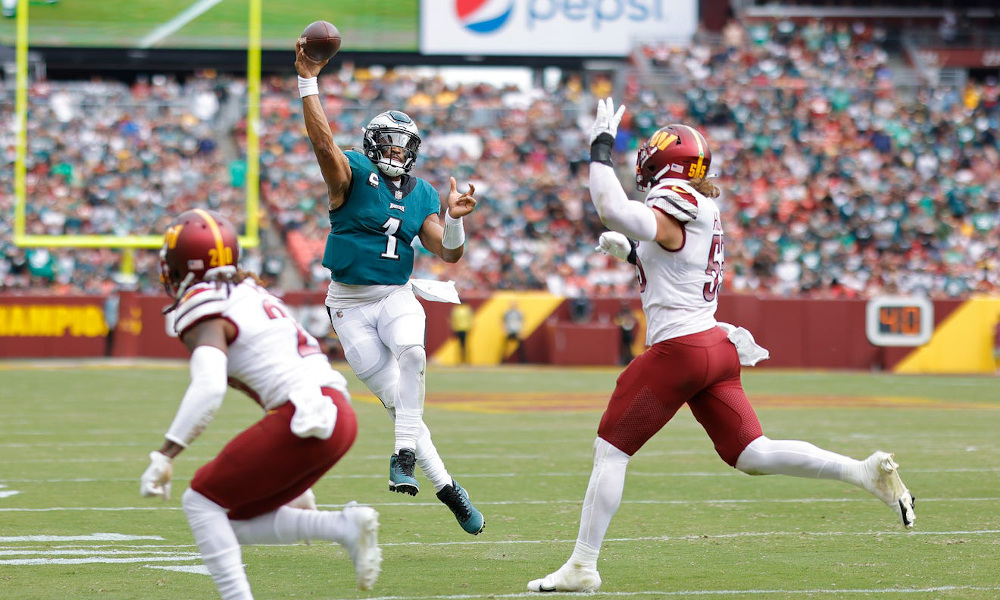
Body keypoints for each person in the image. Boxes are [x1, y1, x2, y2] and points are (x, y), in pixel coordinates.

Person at [527, 99, 916, 593]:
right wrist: (627, 252)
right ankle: (860, 472)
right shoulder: (698, 204)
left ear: (663, 162)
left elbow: (611, 208)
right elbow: (670, 260)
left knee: (611, 452)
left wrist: (600, 148)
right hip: (714, 347)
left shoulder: (677, 197)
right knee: (752, 453)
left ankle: (583, 565)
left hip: (681, 350)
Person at [294, 38, 485, 535]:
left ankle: (401, 456)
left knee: (414, 356)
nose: (399, 153)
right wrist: (307, 80)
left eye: (406, 146)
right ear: (375, 144)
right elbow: (322, 145)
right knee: (402, 404)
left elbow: (448, 252)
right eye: (392, 144)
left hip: (397, 295)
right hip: (350, 306)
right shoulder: (352, 174)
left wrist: (454, 218)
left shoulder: (422, 193)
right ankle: (449, 489)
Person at [140, 209, 382, 599]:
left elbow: (208, 386)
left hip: (304, 417)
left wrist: (167, 453)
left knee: (200, 501)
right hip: (336, 414)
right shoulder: (250, 292)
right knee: (230, 518)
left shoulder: (204, 305)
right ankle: (342, 527)